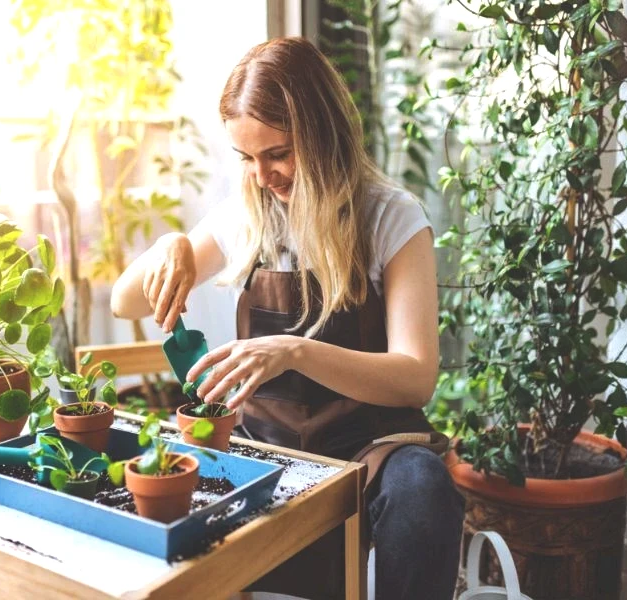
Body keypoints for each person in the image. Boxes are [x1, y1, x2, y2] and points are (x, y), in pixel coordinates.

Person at [111, 36, 464, 600]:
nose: (262, 176)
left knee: (424, 489)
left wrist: (294, 350)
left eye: (278, 153)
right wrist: (171, 245)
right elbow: (123, 303)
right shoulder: (249, 214)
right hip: (264, 442)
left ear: (323, 133)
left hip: (370, 444)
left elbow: (416, 375)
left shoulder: (390, 217)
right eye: (246, 158)